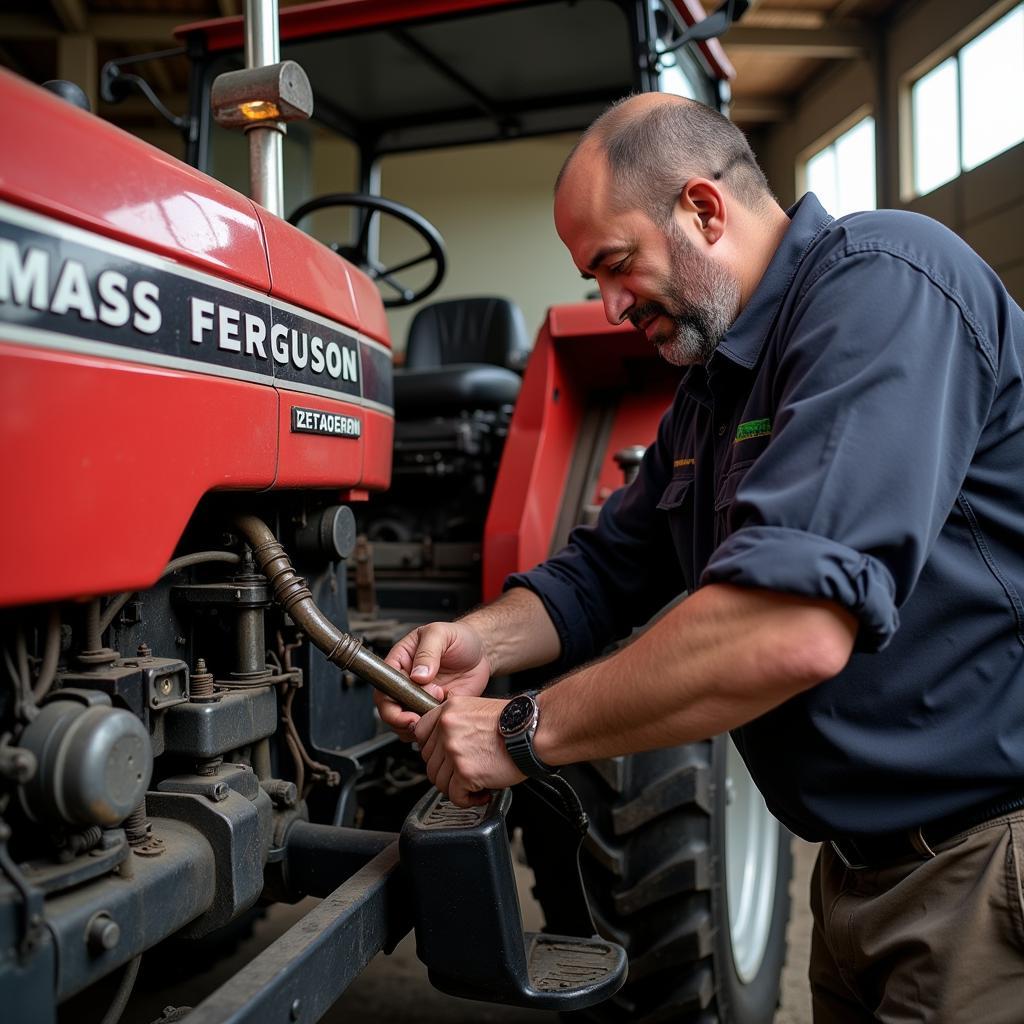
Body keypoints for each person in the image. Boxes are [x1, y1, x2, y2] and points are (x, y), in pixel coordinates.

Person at [375, 92, 1024, 1021]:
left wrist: (519, 729)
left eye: (615, 263)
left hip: (983, 870)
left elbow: (786, 630)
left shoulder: (887, 284)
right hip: (857, 876)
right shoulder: (714, 390)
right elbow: (604, 570)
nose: (605, 303)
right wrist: (483, 638)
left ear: (703, 210)